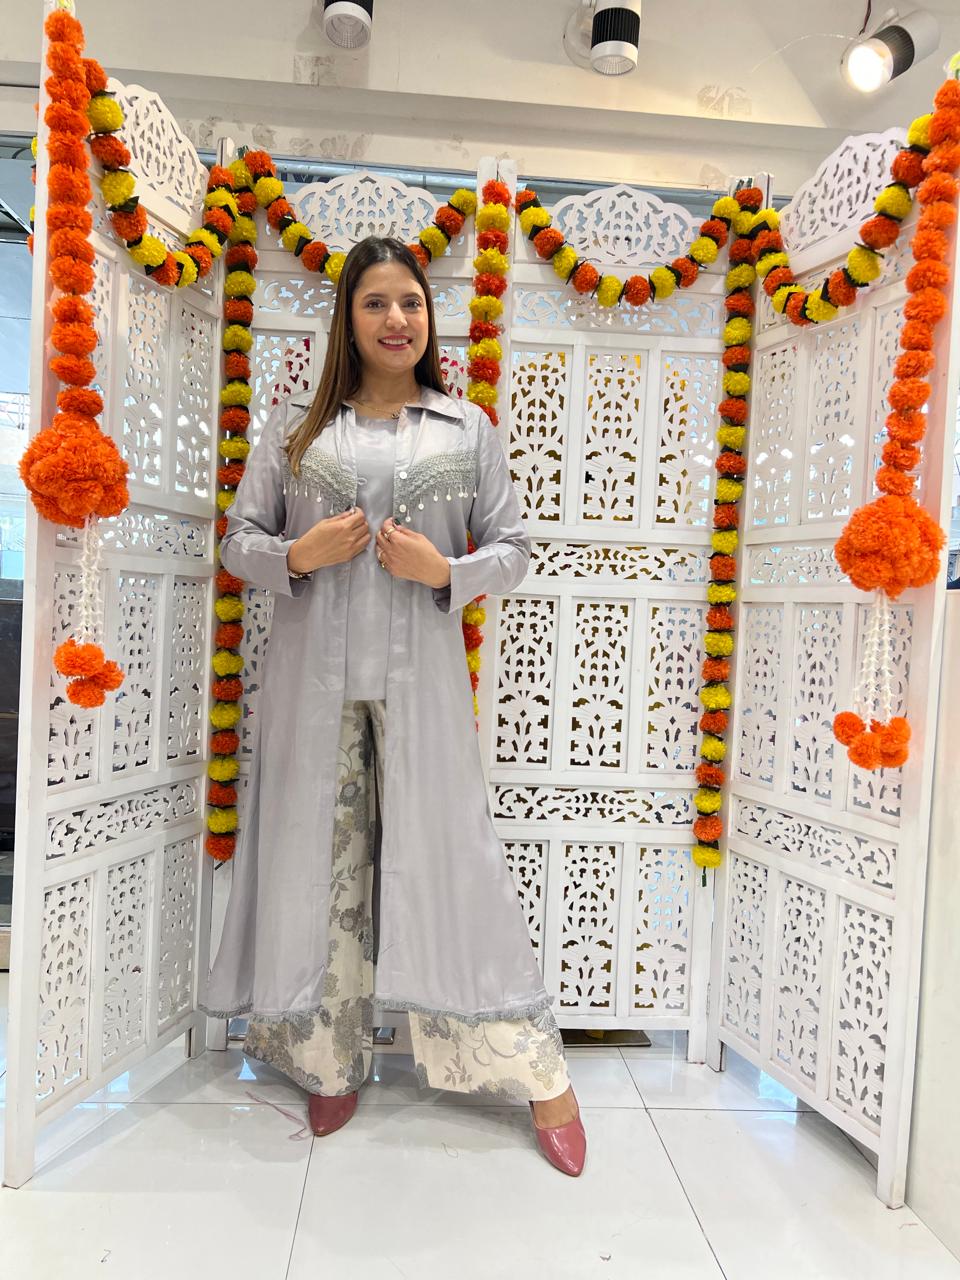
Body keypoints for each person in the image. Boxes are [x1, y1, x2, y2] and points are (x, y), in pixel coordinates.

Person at [199, 235, 586, 1176]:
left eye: (410, 302)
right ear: (348, 317)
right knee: (317, 865)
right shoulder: (299, 430)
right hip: (313, 689)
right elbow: (238, 541)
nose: (396, 319)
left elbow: (515, 549)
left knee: (452, 862)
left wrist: (443, 570)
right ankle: (327, 1058)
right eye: (375, 302)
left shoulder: (466, 429)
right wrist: (296, 556)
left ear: (429, 316)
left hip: (423, 689)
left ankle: (536, 1075)